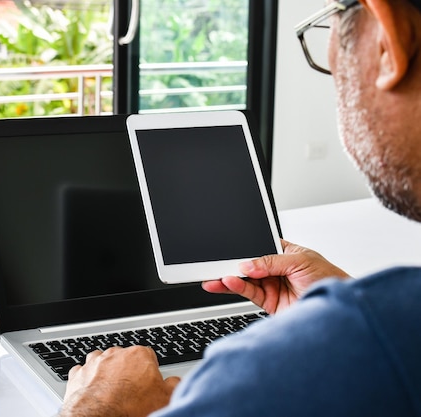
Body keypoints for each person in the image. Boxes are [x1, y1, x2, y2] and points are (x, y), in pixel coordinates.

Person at [57, 0, 421, 415]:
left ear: (387, 42)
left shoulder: (255, 380)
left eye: (328, 27)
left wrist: (97, 407)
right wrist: (349, 313)